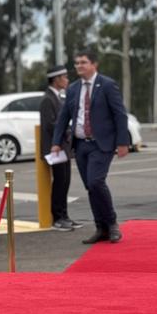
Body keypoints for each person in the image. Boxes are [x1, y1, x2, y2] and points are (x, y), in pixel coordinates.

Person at [51, 49, 129, 244]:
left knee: (96, 182)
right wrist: (56, 143)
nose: (79, 66)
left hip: (101, 144)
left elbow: (120, 115)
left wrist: (122, 143)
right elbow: (64, 117)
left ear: (94, 65)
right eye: (77, 63)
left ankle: (111, 224)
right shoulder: (74, 88)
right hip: (81, 145)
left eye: (83, 62)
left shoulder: (108, 85)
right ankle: (100, 228)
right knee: (91, 187)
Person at [39, 65, 82, 231]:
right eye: (64, 77)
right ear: (56, 79)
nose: (67, 80)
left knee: (65, 182)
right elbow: (50, 125)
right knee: (59, 183)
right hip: (54, 149)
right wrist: (69, 128)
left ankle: (65, 216)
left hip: (64, 148)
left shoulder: (60, 97)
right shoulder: (47, 99)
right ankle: (57, 218)